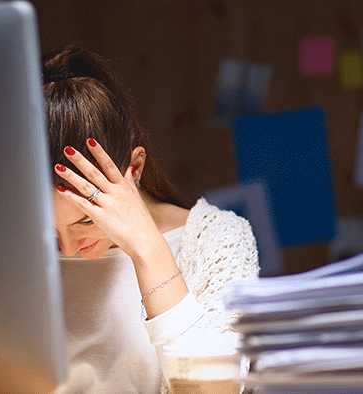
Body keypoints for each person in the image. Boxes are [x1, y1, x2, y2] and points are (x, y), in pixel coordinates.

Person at [43, 45, 259, 394]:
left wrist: (147, 250)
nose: (68, 248)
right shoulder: (18, 249)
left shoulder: (216, 239)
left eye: (85, 220)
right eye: (49, 228)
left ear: (136, 168)